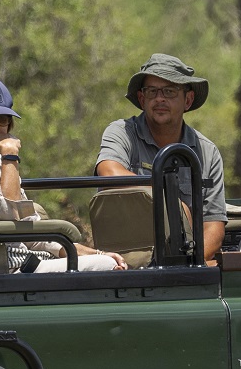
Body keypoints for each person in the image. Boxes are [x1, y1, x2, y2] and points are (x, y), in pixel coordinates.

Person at [0, 74, 126, 273]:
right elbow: (9, 210)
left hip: (28, 260)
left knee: (107, 261)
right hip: (5, 268)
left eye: (1, 119)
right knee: (107, 266)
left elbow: (30, 229)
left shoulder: (0, 162)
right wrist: (10, 155)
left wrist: (93, 253)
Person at [95, 52, 229, 263]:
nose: (160, 99)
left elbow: (213, 228)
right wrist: (169, 199)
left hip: (183, 266)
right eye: (152, 91)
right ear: (142, 99)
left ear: (188, 100)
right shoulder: (122, 132)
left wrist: (188, 264)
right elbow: (109, 173)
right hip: (121, 264)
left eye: (169, 91)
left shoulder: (207, 152)